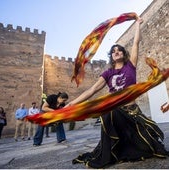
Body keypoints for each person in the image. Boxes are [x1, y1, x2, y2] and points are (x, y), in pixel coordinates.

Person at [66, 17, 169, 168]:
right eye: (113, 51)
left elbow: (135, 43)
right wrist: (73, 103)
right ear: (111, 57)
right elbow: (92, 90)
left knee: (149, 148)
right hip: (115, 112)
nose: (117, 52)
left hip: (132, 113)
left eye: (119, 50)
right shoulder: (108, 73)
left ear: (123, 53)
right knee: (108, 110)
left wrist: (138, 25)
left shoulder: (130, 66)